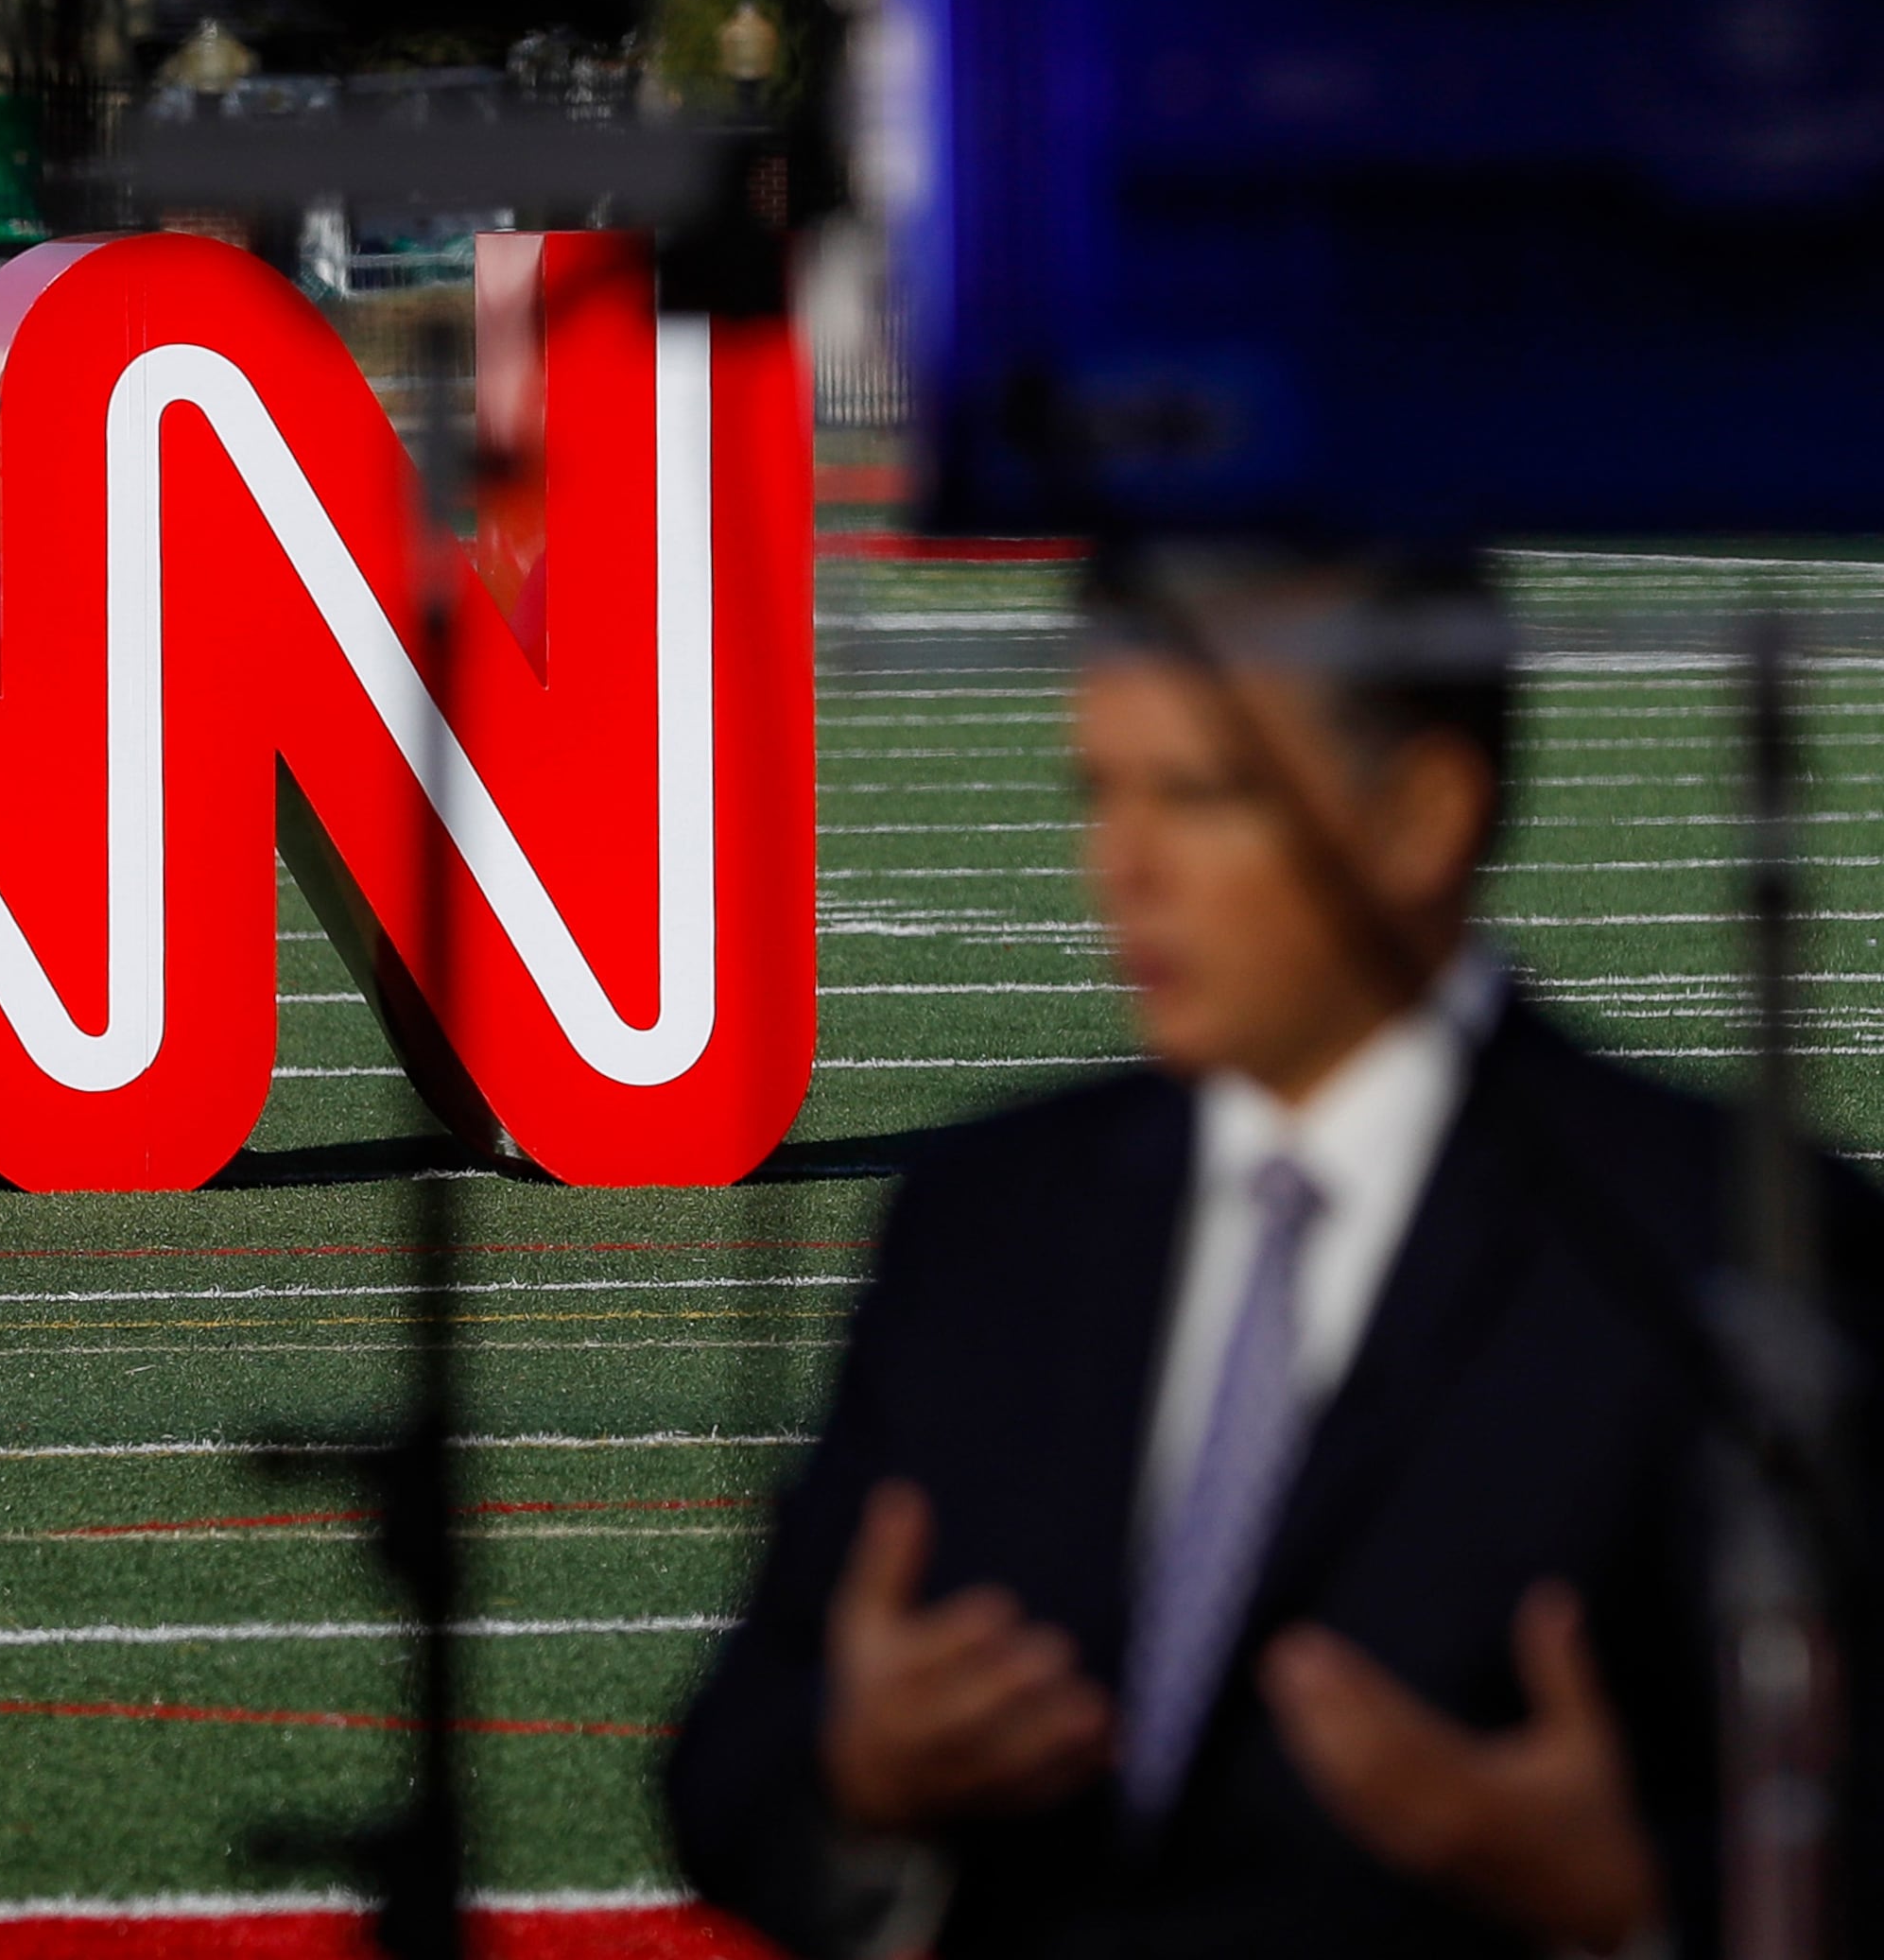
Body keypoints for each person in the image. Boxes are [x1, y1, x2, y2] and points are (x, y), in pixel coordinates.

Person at [660, 544, 1880, 1959]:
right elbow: (728, 1768)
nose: (1121, 867)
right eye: (1098, 792)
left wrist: (1639, 1901)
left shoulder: (1724, 1248)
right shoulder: (985, 1219)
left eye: (1200, 796)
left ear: (1421, 817)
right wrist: (854, 1778)